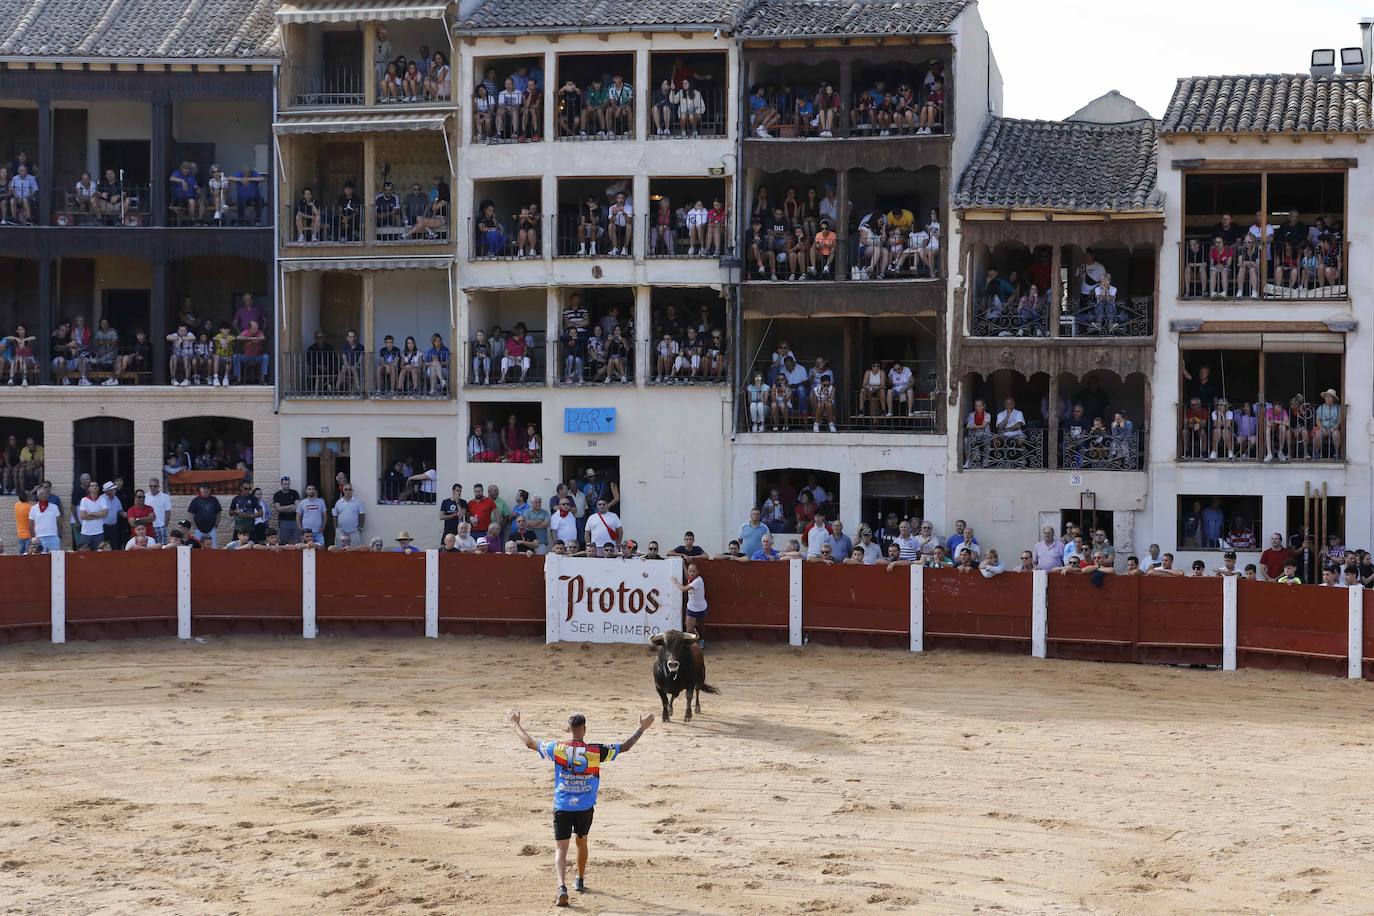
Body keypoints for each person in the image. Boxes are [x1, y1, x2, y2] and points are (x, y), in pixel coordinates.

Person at [508, 709, 653, 908]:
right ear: (584, 729)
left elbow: (529, 743)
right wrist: (641, 728)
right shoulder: (595, 751)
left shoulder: (558, 748)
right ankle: (580, 879)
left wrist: (515, 723)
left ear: (569, 729)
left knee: (561, 848)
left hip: (563, 806)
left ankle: (561, 887)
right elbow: (625, 747)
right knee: (582, 841)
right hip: (585, 807)